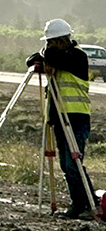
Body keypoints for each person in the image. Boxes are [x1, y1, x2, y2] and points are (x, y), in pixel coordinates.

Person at [28, 18, 95, 218]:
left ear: (61, 40)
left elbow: (51, 56)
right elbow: (31, 59)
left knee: (74, 163)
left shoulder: (77, 56)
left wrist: (45, 56)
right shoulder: (56, 54)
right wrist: (41, 58)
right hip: (59, 116)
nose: (48, 46)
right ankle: (81, 203)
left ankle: (86, 204)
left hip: (76, 116)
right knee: (66, 164)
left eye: (51, 42)